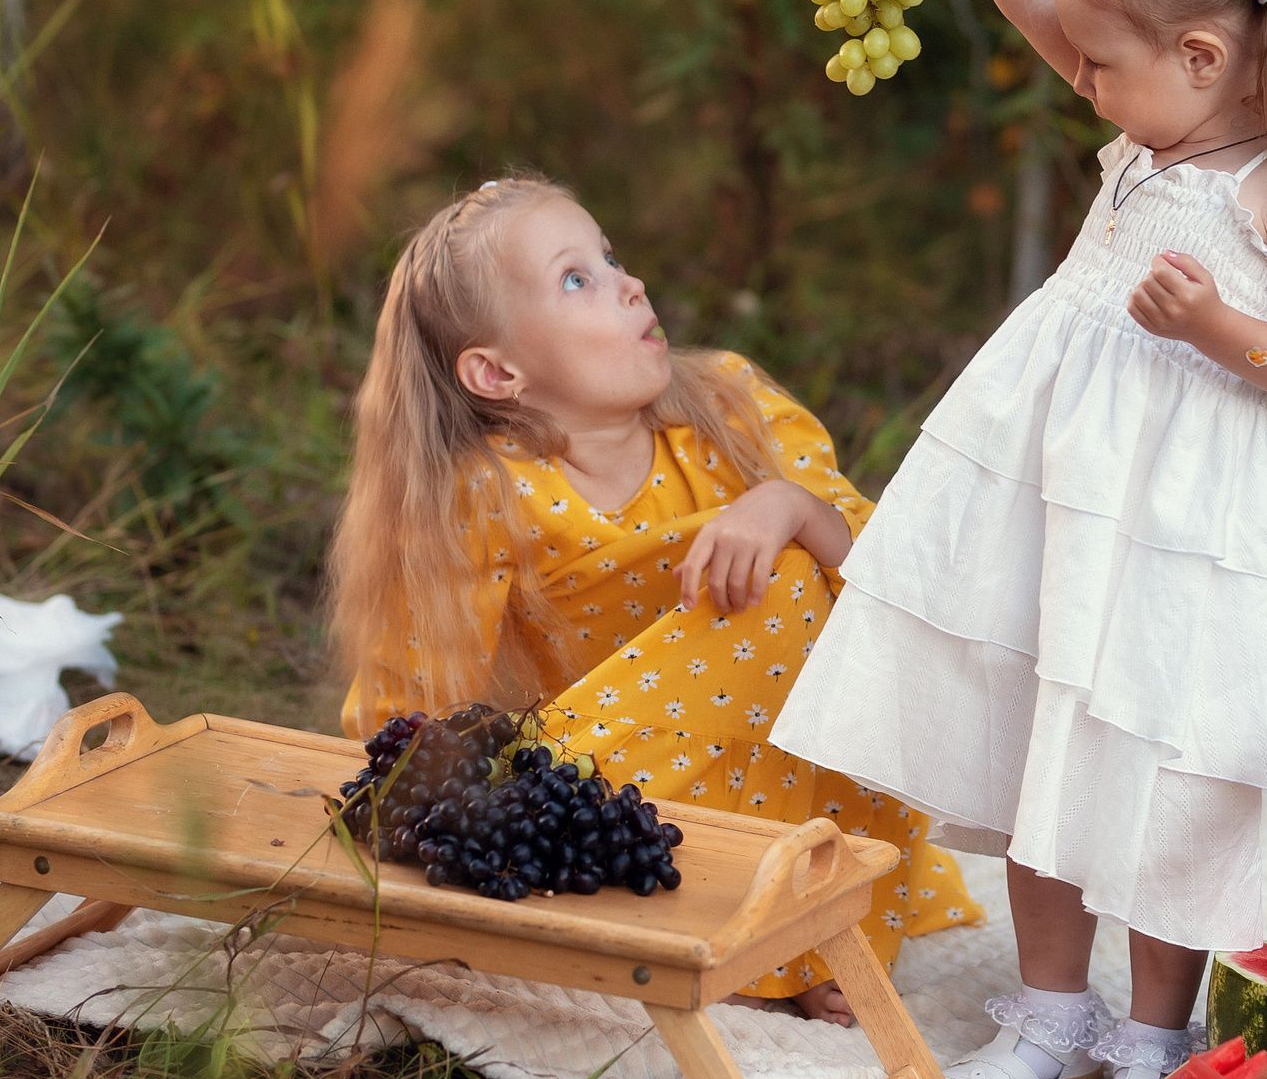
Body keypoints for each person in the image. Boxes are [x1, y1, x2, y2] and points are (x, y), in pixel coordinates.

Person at [773, 0, 1267, 1079]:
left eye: (1099, 64)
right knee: (1042, 722)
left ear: (1204, 54)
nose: (1075, 72)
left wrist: (1222, 327)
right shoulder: (1151, 113)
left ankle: (1154, 1031)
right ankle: (1050, 1011)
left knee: (1167, 755)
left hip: (1184, 518)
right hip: (1058, 487)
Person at [330, 173, 982, 1024]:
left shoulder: (732, 411)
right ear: (497, 371)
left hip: (792, 780)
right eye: (577, 279)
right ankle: (720, 913)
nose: (628, 282)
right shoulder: (491, 489)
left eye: (610, 257)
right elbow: (417, 681)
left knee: (789, 569)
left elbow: (884, 583)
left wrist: (785, 504)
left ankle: (805, 914)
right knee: (768, 585)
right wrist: (418, 810)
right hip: (615, 794)